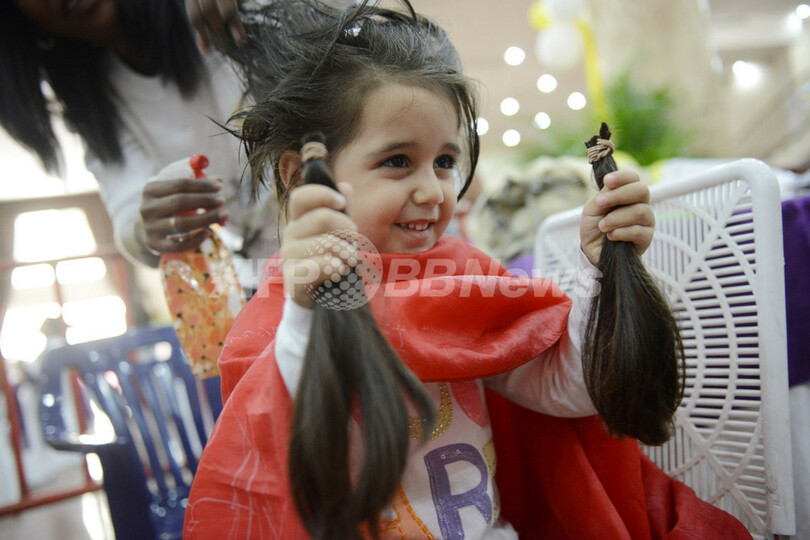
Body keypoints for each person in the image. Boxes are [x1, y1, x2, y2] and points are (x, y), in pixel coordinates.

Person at [184, 1, 751, 538]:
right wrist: (310, 313)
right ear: (299, 174)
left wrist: (598, 270)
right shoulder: (285, 313)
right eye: (397, 160)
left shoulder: (463, 281)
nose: (432, 189)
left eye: (446, 161)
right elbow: (279, 452)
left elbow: (566, 391)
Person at [0, 0, 278, 294]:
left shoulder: (212, 11)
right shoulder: (99, 106)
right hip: (275, 281)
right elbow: (130, 215)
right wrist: (149, 229)